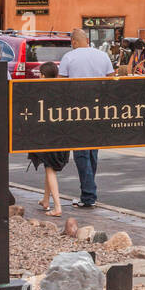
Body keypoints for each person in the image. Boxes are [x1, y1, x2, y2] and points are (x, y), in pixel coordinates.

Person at [57, 28, 113, 208]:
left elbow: (59, 85)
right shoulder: (102, 56)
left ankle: (88, 195)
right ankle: (88, 191)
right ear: (87, 40)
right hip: (98, 108)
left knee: (81, 152)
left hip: (77, 108)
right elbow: (112, 80)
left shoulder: (69, 57)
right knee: (92, 151)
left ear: (74, 41)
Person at [27, 61, 68, 216]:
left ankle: (57, 207)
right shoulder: (61, 90)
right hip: (61, 134)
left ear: (43, 75)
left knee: (50, 169)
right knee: (48, 167)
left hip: (47, 136)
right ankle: (46, 200)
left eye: (39, 75)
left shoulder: (41, 91)